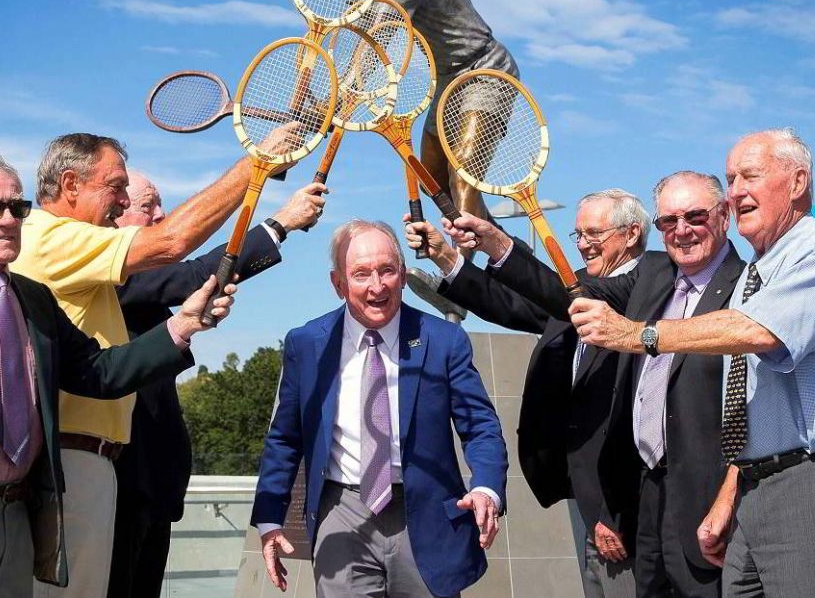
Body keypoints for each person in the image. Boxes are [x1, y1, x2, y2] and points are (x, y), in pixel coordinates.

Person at [0, 152, 235, 598]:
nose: (7, 219)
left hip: (23, 518)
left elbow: (99, 372)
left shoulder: (34, 298)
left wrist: (181, 327)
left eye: (17, 208)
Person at [571, 129, 815, 597]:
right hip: (754, 492)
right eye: (731, 177)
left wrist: (640, 334)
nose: (737, 189)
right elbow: (748, 405)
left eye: (750, 176)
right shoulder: (753, 278)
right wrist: (727, 500)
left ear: (798, 182)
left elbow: (757, 331)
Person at [10, 131, 292, 598]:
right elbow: (173, 244)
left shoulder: (78, 253)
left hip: (98, 466)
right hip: (71, 463)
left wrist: (183, 325)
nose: (122, 204)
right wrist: (256, 164)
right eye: (115, 187)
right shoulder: (50, 238)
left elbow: (108, 364)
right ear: (70, 184)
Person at [445, 171, 745, 597]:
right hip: (641, 503)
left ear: (724, 215)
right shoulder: (655, 281)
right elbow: (559, 296)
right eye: (669, 221)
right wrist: (491, 246)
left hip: (708, 508)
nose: (681, 230)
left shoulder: (748, 287)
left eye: (694, 216)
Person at [404, 189, 649, 598]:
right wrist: (445, 257)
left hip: (627, 504)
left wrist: (498, 244)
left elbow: (564, 298)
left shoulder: (654, 282)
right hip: (582, 493)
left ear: (632, 234)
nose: (585, 243)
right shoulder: (582, 286)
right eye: (578, 235)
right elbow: (510, 304)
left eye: (594, 233)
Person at [250, 220, 507, 597]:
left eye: (387, 271)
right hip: (342, 511)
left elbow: (480, 425)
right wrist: (269, 517)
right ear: (338, 284)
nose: (377, 286)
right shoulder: (306, 344)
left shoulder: (444, 340)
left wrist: (486, 487)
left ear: (402, 276)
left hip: (426, 513)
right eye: (361, 274)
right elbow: (285, 438)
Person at [107, 170, 326, 598]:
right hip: (121, 490)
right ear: (115, 214)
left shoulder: (134, 281)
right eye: (147, 205)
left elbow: (194, 283)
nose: (162, 215)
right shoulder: (111, 272)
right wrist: (280, 224)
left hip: (153, 487)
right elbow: (197, 275)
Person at [338, 0, 519, 232]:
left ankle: (465, 283)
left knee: (463, 180)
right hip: (447, 79)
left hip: (484, 71)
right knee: (432, 181)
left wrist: (340, 97)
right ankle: (512, 257)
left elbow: (379, 38)